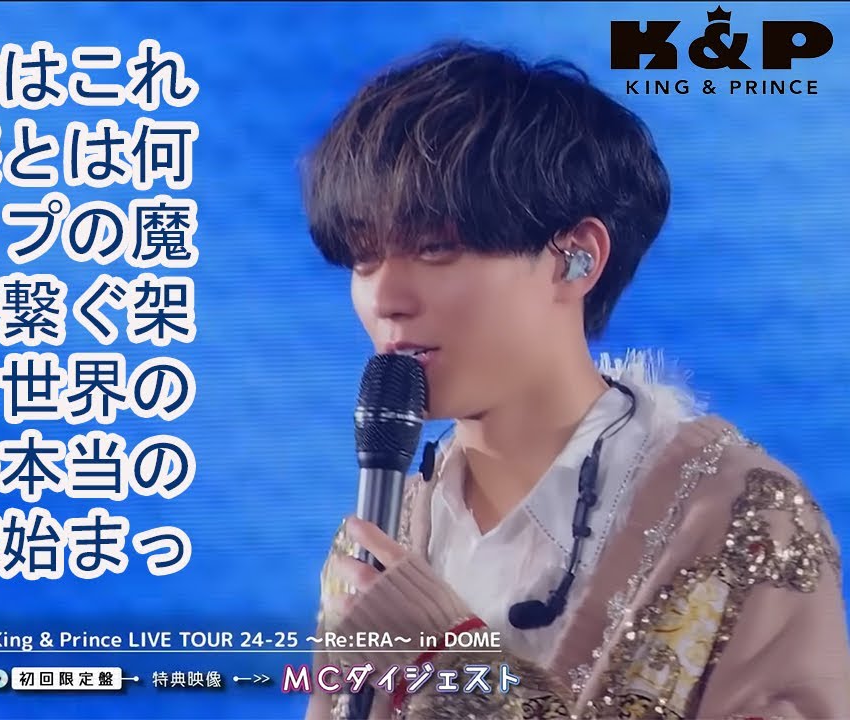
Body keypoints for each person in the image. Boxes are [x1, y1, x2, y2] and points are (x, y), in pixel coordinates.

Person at [300, 41, 850, 719]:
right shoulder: (381, 535)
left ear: (576, 259)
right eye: (363, 259)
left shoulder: (744, 518)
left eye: (436, 248)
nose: (386, 297)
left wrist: (454, 668)